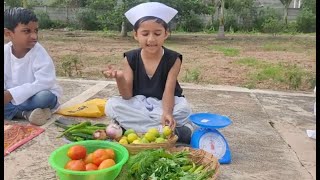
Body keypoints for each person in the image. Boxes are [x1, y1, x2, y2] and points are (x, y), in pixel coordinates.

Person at [102, 2, 194, 144]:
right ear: (136, 35)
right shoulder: (130, 57)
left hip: (165, 103)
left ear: (166, 34)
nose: (151, 39)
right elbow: (127, 95)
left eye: (157, 33)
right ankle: (171, 132)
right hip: (138, 104)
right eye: (145, 34)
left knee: (184, 109)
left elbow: (169, 91)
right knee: (111, 105)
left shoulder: (173, 59)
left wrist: (168, 113)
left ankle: (130, 129)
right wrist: (119, 77)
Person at [4, 7, 62, 126]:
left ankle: (19, 112)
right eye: (27, 31)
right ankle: (27, 114)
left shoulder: (38, 52)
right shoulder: (5, 52)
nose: (34, 36)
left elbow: (45, 82)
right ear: (8, 33)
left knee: (44, 97)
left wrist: (11, 94)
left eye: (36, 31)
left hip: (35, 96)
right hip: (11, 99)